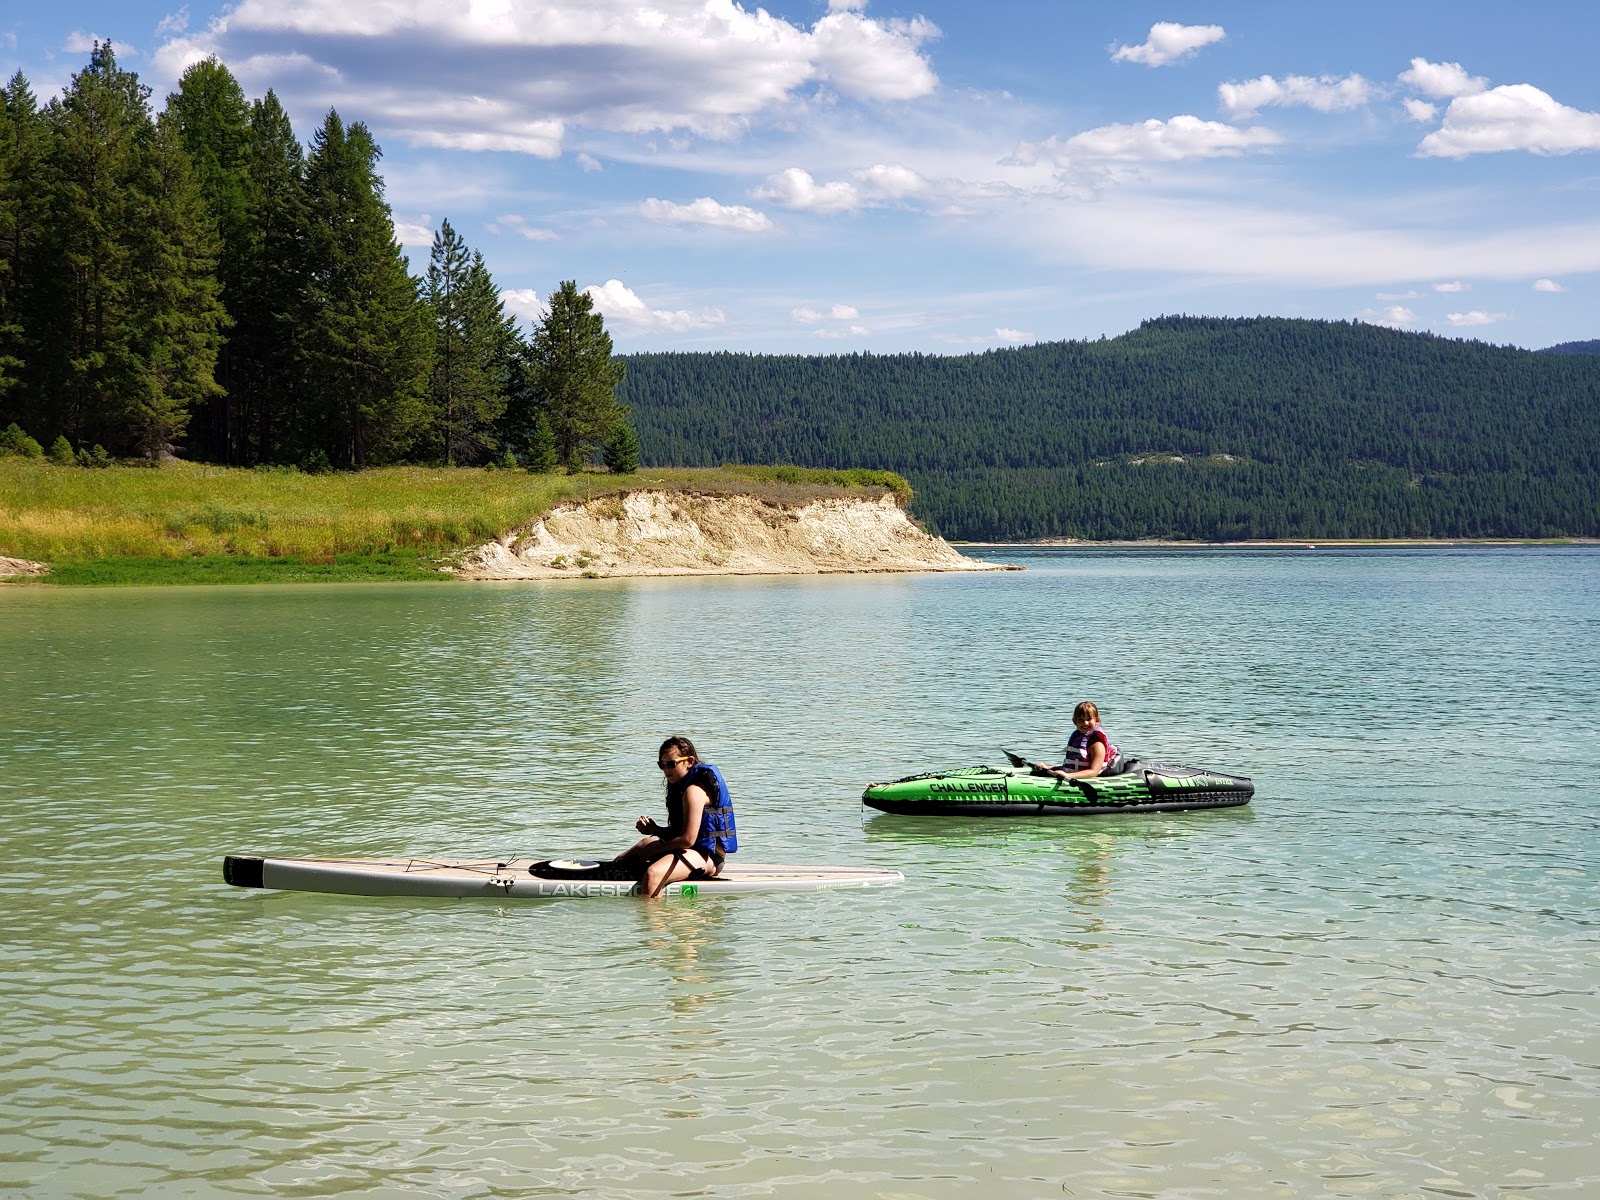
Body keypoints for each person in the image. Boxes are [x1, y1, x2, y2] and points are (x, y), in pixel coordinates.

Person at [613, 736, 738, 898]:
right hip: (690, 849)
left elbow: (687, 840)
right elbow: (680, 833)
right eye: (662, 765)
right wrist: (656, 830)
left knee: (652, 875)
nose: (666, 770)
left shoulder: (694, 791)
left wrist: (653, 851)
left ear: (690, 761)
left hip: (708, 857)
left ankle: (654, 920)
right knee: (630, 855)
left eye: (671, 764)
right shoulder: (680, 786)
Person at [1031, 701, 1121, 780]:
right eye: (1081, 720)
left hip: (1092, 779)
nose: (1085, 723)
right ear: (1075, 721)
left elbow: (1093, 772)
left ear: (1097, 720)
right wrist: (1048, 767)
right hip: (1073, 774)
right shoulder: (1077, 737)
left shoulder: (1097, 744)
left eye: (1089, 719)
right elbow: (1072, 766)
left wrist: (1068, 775)